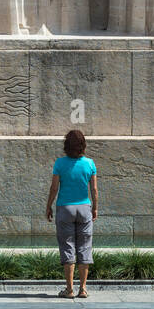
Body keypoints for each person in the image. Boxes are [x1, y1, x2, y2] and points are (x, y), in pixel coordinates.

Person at [45, 128, 97, 298]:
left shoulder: (60, 163)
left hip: (65, 208)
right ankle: (83, 289)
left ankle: (69, 290)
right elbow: (94, 189)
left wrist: (48, 206)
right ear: (83, 145)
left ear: (66, 145)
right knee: (84, 247)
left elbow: (54, 188)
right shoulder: (90, 164)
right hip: (84, 208)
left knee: (68, 247)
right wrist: (95, 208)